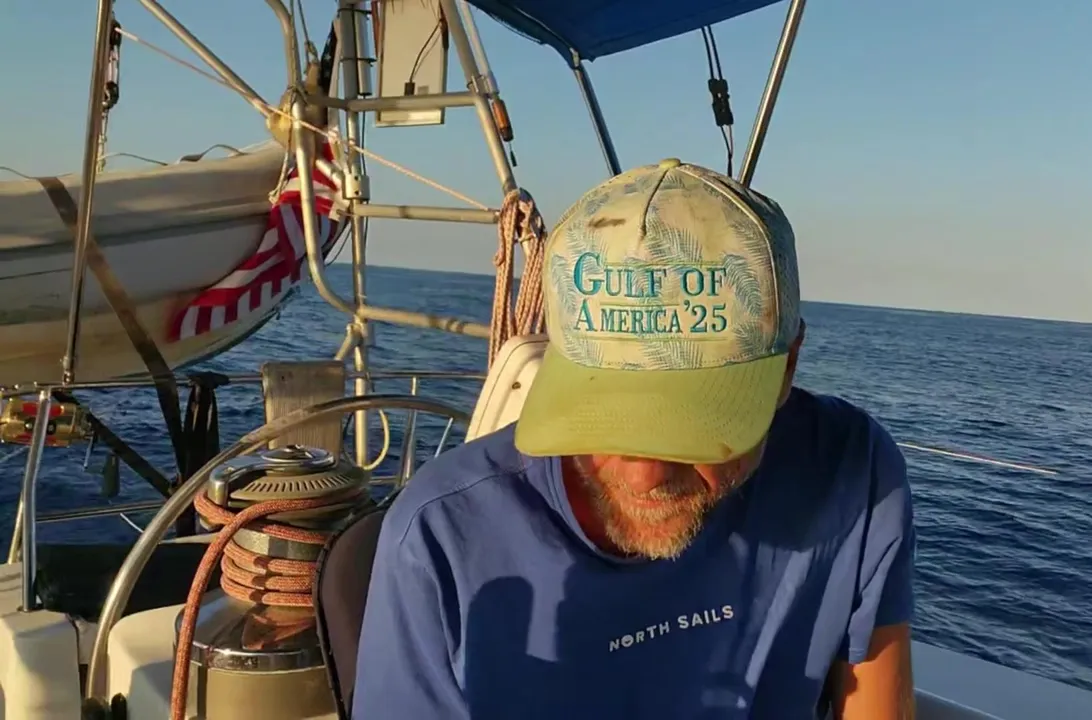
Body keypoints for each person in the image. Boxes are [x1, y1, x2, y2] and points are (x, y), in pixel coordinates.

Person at [352, 159, 916, 719]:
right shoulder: (441, 537)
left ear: (787, 367)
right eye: (605, 418)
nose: (645, 477)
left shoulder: (853, 475)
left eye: (692, 431)